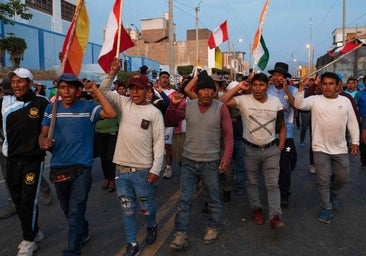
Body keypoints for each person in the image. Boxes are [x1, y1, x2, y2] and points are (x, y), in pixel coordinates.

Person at [38, 73, 117, 256]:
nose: (67, 91)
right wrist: (43, 142)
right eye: (63, 87)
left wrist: (96, 91)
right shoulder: (51, 108)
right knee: (68, 210)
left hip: (82, 167)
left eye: (71, 87)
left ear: (78, 90)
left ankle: (72, 251)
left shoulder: (88, 108)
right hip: (59, 166)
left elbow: (112, 113)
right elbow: (42, 134)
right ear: (58, 89)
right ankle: (83, 229)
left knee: (75, 210)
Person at [99, 58, 165, 256]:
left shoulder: (154, 113)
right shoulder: (123, 102)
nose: (134, 92)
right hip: (122, 171)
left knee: (146, 207)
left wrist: (155, 169)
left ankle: (151, 224)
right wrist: (112, 72)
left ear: (147, 90)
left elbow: (159, 142)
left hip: (143, 172)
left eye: (139, 89)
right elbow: (102, 91)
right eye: (131, 88)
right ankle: (132, 244)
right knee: (127, 210)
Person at [166, 71, 233, 249]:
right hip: (189, 161)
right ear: (197, 91)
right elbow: (170, 120)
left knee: (213, 198)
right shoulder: (188, 106)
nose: (205, 93)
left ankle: (213, 227)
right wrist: (172, 106)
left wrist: (226, 156)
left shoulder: (221, 108)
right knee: (185, 200)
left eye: (209, 90)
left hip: (211, 162)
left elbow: (228, 136)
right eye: (202, 89)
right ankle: (181, 234)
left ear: (214, 91)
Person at [220, 72, 286, 230]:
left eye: (261, 85)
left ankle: (275, 216)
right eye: (255, 85)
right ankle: (257, 209)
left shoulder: (276, 101)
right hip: (250, 149)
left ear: (267, 86)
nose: (258, 89)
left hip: (271, 149)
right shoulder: (243, 100)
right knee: (252, 182)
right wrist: (239, 87)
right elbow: (222, 102)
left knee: (272, 184)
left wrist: (280, 147)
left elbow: (281, 126)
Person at [294, 72, 359, 224]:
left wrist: (355, 142)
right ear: (320, 85)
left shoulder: (345, 101)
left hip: (340, 147)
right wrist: (301, 89)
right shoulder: (314, 100)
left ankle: (333, 191)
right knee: (322, 180)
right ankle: (327, 207)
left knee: (343, 177)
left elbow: (352, 123)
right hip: (320, 147)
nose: (328, 87)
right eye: (325, 83)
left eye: (331, 84)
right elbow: (298, 105)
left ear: (337, 86)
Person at [1, 68, 49, 255]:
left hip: (33, 160)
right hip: (11, 159)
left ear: (30, 83)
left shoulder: (42, 102)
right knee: (19, 200)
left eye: (20, 81)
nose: (16, 85)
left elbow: (52, 125)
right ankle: (34, 232)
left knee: (29, 199)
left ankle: (28, 240)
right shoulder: (5, 103)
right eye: (13, 82)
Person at [267, 62, 298, 208]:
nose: (277, 78)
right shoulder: (267, 90)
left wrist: (286, 90)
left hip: (288, 134)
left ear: (285, 77)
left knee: (289, 163)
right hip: (269, 135)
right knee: (278, 166)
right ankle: (282, 194)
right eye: (274, 75)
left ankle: (283, 191)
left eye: (280, 75)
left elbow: (296, 107)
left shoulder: (293, 89)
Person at [158, 71, 176, 179]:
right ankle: (160, 164)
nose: (164, 79)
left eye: (166, 77)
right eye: (163, 77)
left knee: (168, 146)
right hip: (156, 123)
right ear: (159, 79)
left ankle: (168, 167)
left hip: (168, 123)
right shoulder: (154, 91)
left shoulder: (173, 92)